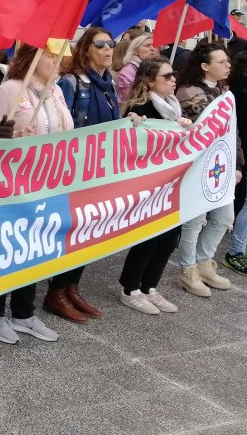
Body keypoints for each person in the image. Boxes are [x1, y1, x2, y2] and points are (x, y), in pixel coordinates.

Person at [0, 45, 68, 343]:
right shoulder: (11, 89)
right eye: (52, 55)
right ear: (32, 58)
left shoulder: (56, 90)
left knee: (35, 245)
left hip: (48, 181)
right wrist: (12, 135)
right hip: (13, 183)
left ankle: (23, 313)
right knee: (9, 245)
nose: (58, 60)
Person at [53, 26, 121, 321]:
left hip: (100, 171)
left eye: (111, 44)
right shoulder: (70, 83)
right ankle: (56, 291)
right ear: (85, 50)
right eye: (100, 44)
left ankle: (72, 287)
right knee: (71, 231)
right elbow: (60, 127)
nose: (107, 49)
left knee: (90, 231)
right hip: (74, 171)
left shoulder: (111, 84)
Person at [117, 57, 192, 312]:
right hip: (148, 185)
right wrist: (132, 124)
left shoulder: (173, 107)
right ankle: (130, 288)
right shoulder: (140, 108)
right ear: (150, 81)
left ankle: (150, 287)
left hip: (172, 184)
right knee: (148, 237)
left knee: (170, 238)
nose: (173, 79)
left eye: (174, 75)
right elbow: (127, 143)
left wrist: (182, 126)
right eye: (167, 76)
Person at [174, 41, 235, 295]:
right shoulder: (188, 92)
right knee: (195, 219)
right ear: (205, 66)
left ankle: (204, 261)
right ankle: (188, 269)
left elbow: (233, 132)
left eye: (227, 61)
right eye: (221, 62)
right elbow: (202, 128)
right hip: (197, 166)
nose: (228, 65)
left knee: (223, 218)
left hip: (221, 164)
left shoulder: (224, 92)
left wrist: (237, 163)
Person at [225, 51, 247, 276]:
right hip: (243, 150)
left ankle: (240, 250)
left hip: (243, 150)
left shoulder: (240, 86)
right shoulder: (243, 89)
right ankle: (236, 252)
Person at [114, 33, 155, 103]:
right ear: (135, 51)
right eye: (147, 46)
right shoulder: (127, 72)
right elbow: (130, 98)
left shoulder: (157, 68)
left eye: (154, 45)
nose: (153, 49)